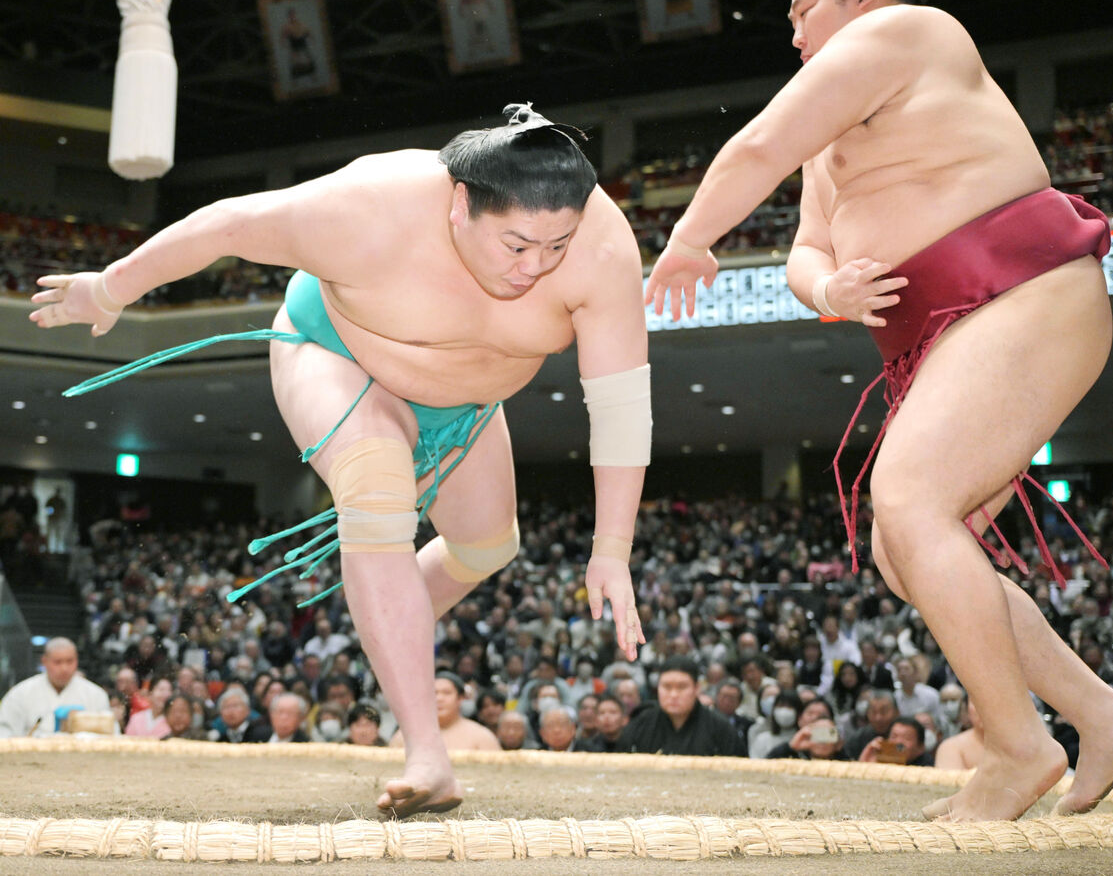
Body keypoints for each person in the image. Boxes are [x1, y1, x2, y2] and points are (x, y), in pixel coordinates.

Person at [643, 0, 1113, 821]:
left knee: (911, 501)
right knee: (904, 548)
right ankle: (1101, 714)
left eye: (805, 10)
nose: (794, 33)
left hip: (1016, 292)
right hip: (950, 335)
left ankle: (1014, 745)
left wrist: (689, 237)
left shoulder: (910, 32)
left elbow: (757, 146)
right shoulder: (832, 133)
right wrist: (830, 288)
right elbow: (806, 247)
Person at [31, 103, 650, 817]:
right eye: (515, 245)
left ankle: (385, 618)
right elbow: (227, 224)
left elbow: (620, 404)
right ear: (460, 206)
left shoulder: (603, 250)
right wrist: (109, 288)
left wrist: (612, 548)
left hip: (470, 407)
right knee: (376, 486)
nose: (534, 268)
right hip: (337, 353)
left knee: (488, 546)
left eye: (556, 247)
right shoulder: (369, 206)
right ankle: (427, 753)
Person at [618, 656, 746, 757]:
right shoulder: (640, 724)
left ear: (696, 688)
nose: (673, 694)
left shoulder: (720, 729)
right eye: (667, 687)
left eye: (682, 687)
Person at [0, 638, 113, 738]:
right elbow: (4, 734)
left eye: (70, 661)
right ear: (44, 661)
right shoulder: (19, 694)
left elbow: (110, 735)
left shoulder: (96, 695)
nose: (64, 668)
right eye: (57, 662)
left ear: (77, 661)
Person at [391, 672, 499, 752]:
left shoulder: (482, 737)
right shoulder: (405, 736)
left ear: (460, 698)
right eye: (434, 693)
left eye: (447, 693)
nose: (439, 698)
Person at [860, 716, 933, 767]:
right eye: (894, 737)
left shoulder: (928, 766)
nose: (899, 742)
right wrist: (866, 766)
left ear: (921, 747)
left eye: (907, 738)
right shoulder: (880, 759)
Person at [245, 692, 310, 743]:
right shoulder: (257, 735)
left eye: (290, 713)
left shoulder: (305, 743)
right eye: (280, 712)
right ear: (271, 714)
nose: (284, 717)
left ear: (301, 718)